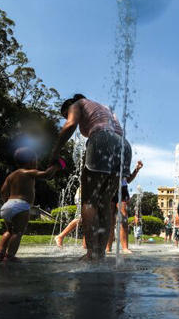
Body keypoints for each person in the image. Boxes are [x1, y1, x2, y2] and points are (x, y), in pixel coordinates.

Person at [50, 94, 132, 260]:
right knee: (105, 201)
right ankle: (99, 253)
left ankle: (92, 253)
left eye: (66, 114)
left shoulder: (78, 104)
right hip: (124, 145)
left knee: (89, 200)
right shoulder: (104, 108)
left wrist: (55, 152)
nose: (69, 116)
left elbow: (70, 125)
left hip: (102, 139)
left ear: (69, 107)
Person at [0, 147, 59, 262]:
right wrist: (57, 166)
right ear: (31, 161)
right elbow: (47, 175)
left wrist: (7, 202)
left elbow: (3, 191)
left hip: (7, 206)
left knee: (9, 231)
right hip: (21, 206)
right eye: (36, 160)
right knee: (18, 232)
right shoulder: (29, 173)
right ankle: (10, 256)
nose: (37, 163)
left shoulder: (11, 176)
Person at [106, 160, 143, 254]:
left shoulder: (123, 159)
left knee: (124, 218)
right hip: (109, 189)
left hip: (122, 190)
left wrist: (136, 170)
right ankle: (108, 247)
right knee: (110, 220)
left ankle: (125, 248)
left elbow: (128, 180)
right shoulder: (109, 157)